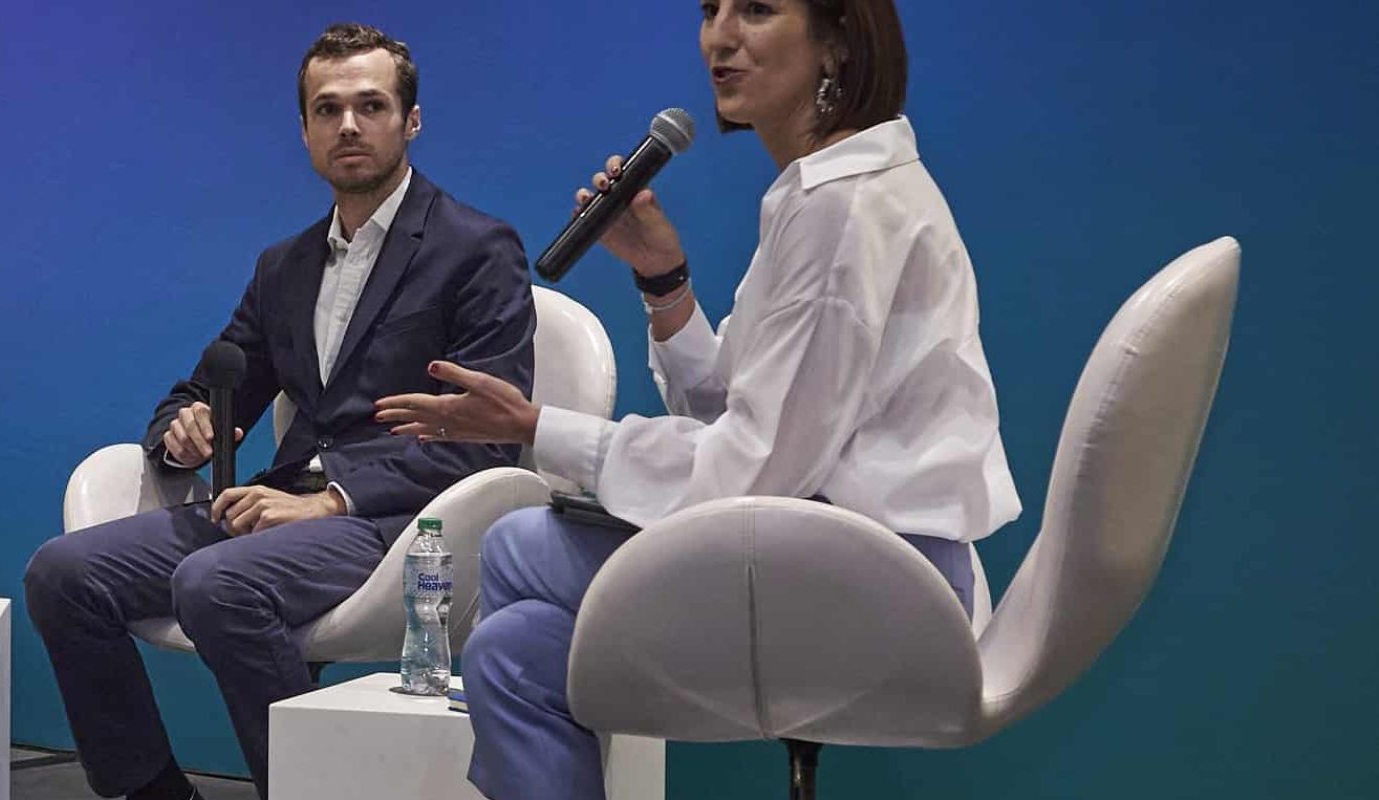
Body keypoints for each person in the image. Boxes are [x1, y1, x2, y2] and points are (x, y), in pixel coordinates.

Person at [374, 1, 1022, 797]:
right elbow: (740, 417)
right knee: (512, 650)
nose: (721, 35)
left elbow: (753, 466)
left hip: (876, 579)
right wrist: (663, 280)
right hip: (832, 551)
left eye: (756, 9)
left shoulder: (844, 207)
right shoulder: (821, 193)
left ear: (839, 40)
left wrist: (539, 426)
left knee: (516, 549)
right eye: (711, 9)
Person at [21, 22, 536, 800]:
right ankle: (152, 792)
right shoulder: (286, 266)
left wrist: (329, 500)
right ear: (304, 130)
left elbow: (486, 441)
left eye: (371, 105)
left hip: (403, 523)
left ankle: (306, 789)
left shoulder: (476, 250)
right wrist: (184, 433)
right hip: (282, 508)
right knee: (63, 573)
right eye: (327, 110)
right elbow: (206, 387)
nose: (349, 126)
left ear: (412, 121)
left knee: (216, 584)